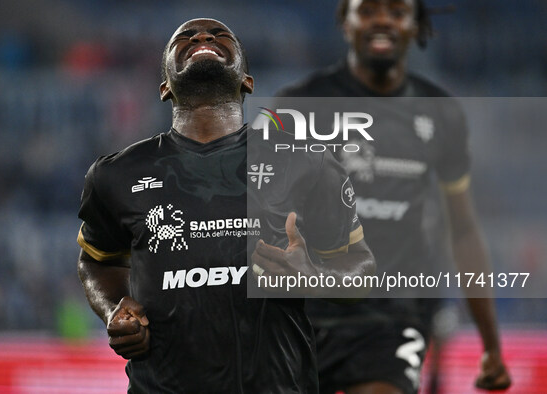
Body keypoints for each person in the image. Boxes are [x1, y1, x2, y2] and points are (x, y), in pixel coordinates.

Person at [76, 18, 375, 393]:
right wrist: (116, 307)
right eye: (184, 37)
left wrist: (315, 275)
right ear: (165, 87)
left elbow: (362, 268)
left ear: (247, 81)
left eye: (220, 36)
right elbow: (95, 260)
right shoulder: (115, 175)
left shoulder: (308, 164)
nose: (202, 36)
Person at [277, 0, 512, 393]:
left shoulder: (440, 113)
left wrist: (491, 345)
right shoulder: (298, 105)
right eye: (367, 10)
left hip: (392, 316)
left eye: (397, 11)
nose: (382, 19)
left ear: (415, 25)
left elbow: (464, 231)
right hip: (303, 313)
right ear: (345, 22)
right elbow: (259, 220)